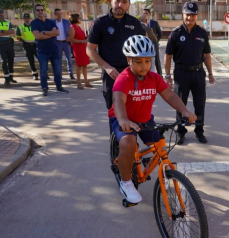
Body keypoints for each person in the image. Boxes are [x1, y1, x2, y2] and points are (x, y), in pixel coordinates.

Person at [110, 35, 196, 203]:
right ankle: (126, 182)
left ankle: (140, 162)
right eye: (139, 61)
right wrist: (123, 120)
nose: (144, 66)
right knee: (128, 143)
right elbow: (118, 100)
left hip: (145, 119)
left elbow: (169, 95)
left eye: (148, 61)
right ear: (129, 60)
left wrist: (184, 111)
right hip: (123, 119)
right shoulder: (124, 78)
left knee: (158, 147)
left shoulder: (154, 78)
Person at [165, 2, 215, 145]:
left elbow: (207, 55)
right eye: (188, 14)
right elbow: (167, 56)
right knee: (180, 104)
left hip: (198, 73)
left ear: (197, 15)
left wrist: (211, 73)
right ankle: (180, 132)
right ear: (183, 14)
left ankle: (199, 131)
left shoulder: (202, 33)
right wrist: (168, 76)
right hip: (181, 74)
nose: (190, 18)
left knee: (200, 104)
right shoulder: (175, 34)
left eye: (193, 15)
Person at [87, 0, 146, 112]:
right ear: (111, 2)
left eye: (124, 2)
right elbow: (90, 49)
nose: (120, 5)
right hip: (111, 75)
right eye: (117, 1)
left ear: (129, 4)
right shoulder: (100, 23)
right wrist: (107, 67)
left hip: (132, 74)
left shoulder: (135, 23)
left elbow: (143, 47)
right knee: (114, 112)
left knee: (134, 111)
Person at [31, 4, 69, 96]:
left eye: (41, 10)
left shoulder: (51, 22)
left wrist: (44, 32)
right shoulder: (34, 23)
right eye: (38, 10)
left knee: (57, 70)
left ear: (44, 11)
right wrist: (51, 33)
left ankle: (59, 87)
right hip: (42, 51)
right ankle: (44, 88)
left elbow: (57, 32)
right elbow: (38, 36)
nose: (40, 12)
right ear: (36, 12)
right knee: (43, 71)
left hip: (54, 50)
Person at [0, 7, 16, 86]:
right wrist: (6, 32)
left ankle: (11, 76)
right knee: (4, 61)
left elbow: (12, 31)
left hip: (9, 43)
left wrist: (1, 32)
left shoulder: (8, 22)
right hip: (0, 44)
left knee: (11, 60)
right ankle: (6, 78)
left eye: (2, 12)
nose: (1, 14)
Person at [68, 13, 91, 90]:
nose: (80, 19)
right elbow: (71, 39)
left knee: (85, 65)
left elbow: (80, 36)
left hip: (83, 48)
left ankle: (86, 82)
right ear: (75, 18)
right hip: (78, 48)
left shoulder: (79, 27)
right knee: (79, 65)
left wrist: (86, 37)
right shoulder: (72, 27)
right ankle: (79, 83)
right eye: (79, 18)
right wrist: (82, 40)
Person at [16, 13, 39, 81]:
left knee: (41, 59)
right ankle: (34, 74)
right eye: (25, 18)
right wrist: (24, 41)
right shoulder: (20, 27)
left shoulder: (34, 25)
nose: (27, 19)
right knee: (31, 60)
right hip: (27, 45)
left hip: (36, 44)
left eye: (28, 18)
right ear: (23, 19)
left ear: (30, 19)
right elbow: (18, 37)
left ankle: (44, 74)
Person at [53, 8, 74, 80]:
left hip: (66, 43)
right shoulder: (52, 22)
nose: (59, 15)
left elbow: (71, 30)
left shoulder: (66, 22)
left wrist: (70, 38)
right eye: (57, 14)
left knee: (69, 59)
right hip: (57, 43)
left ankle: (71, 73)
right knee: (59, 60)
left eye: (60, 13)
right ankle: (59, 74)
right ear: (55, 14)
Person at [143, 8, 163, 76]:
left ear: (149, 14)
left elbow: (160, 34)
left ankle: (160, 75)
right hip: (144, 47)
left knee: (157, 61)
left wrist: (156, 42)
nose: (145, 14)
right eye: (144, 13)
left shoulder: (154, 23)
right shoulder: (140, 24)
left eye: (146, 13)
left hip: (154, 45)